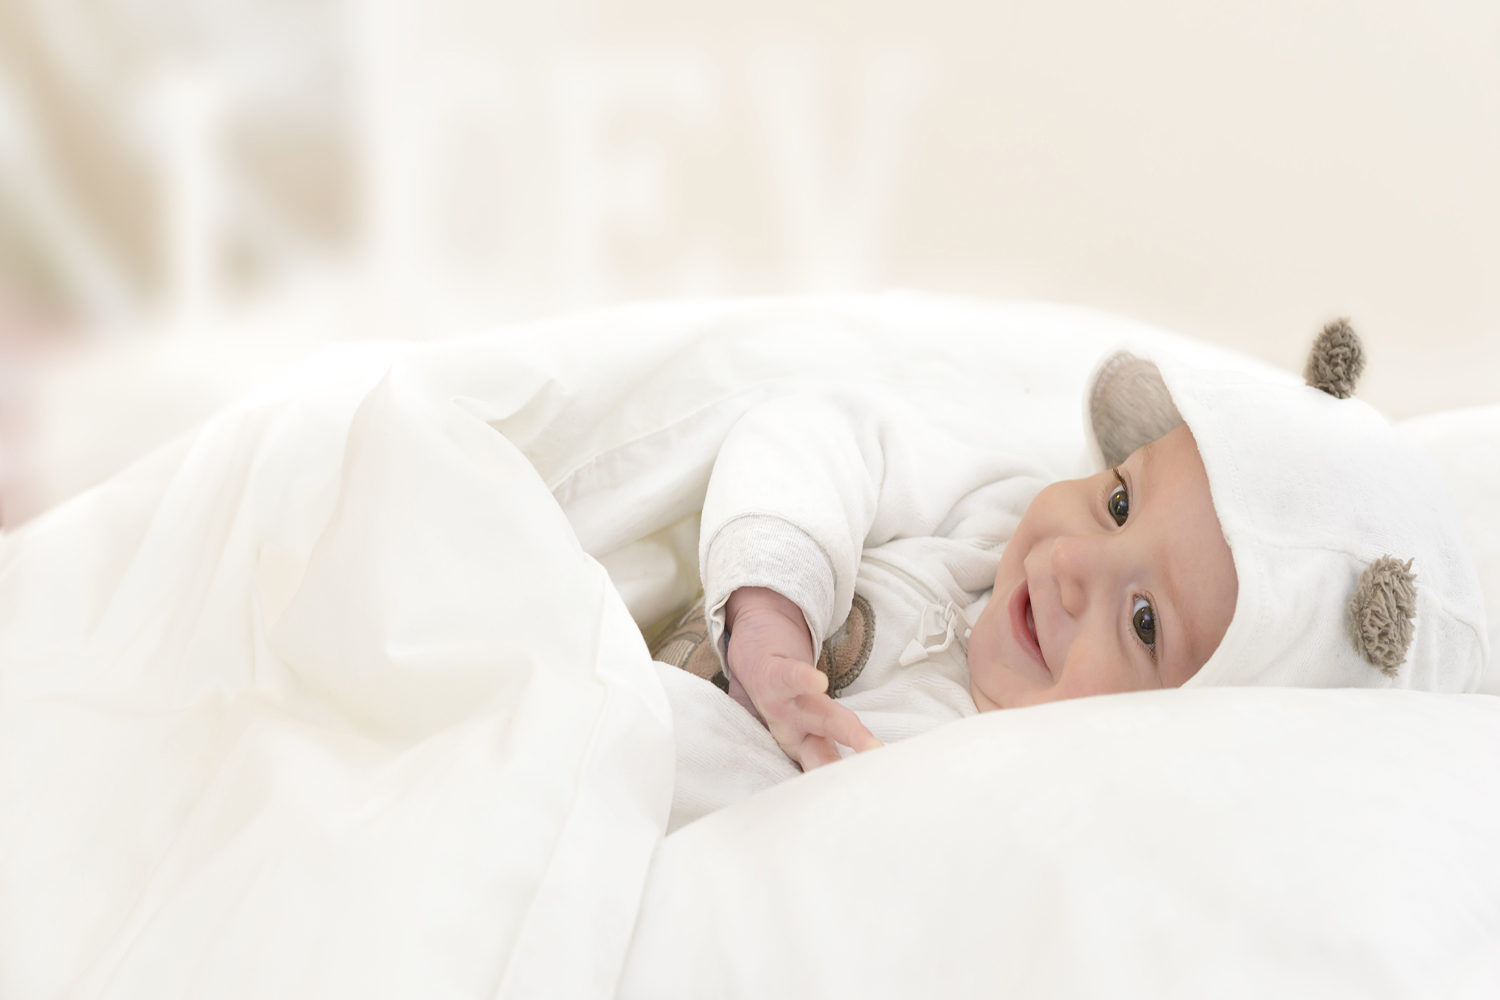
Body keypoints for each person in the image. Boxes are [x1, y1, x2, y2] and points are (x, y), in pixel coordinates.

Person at [649, 322, 1488, 831]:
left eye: (1145, 621)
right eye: (1120, 503)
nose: (1069, 562)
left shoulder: (984, 793)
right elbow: (822, 429)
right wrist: (773, 599)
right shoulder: (989, 512)